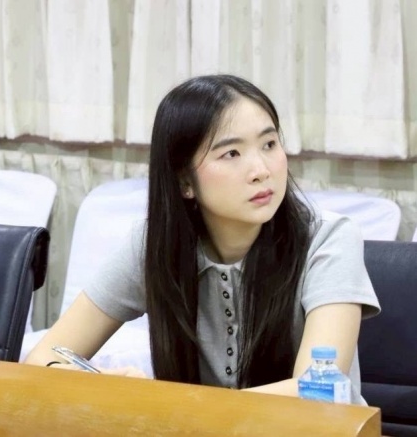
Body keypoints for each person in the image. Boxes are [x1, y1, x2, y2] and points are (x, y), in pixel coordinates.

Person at [25, 74, 379, 404]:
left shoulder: (328, 239)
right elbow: (42, 359)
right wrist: (101, 385)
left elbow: (317, 393)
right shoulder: (153, 246)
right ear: (185, 182)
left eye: (270, 144)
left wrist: (165, 404)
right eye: (231, 153)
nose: (261, 171)